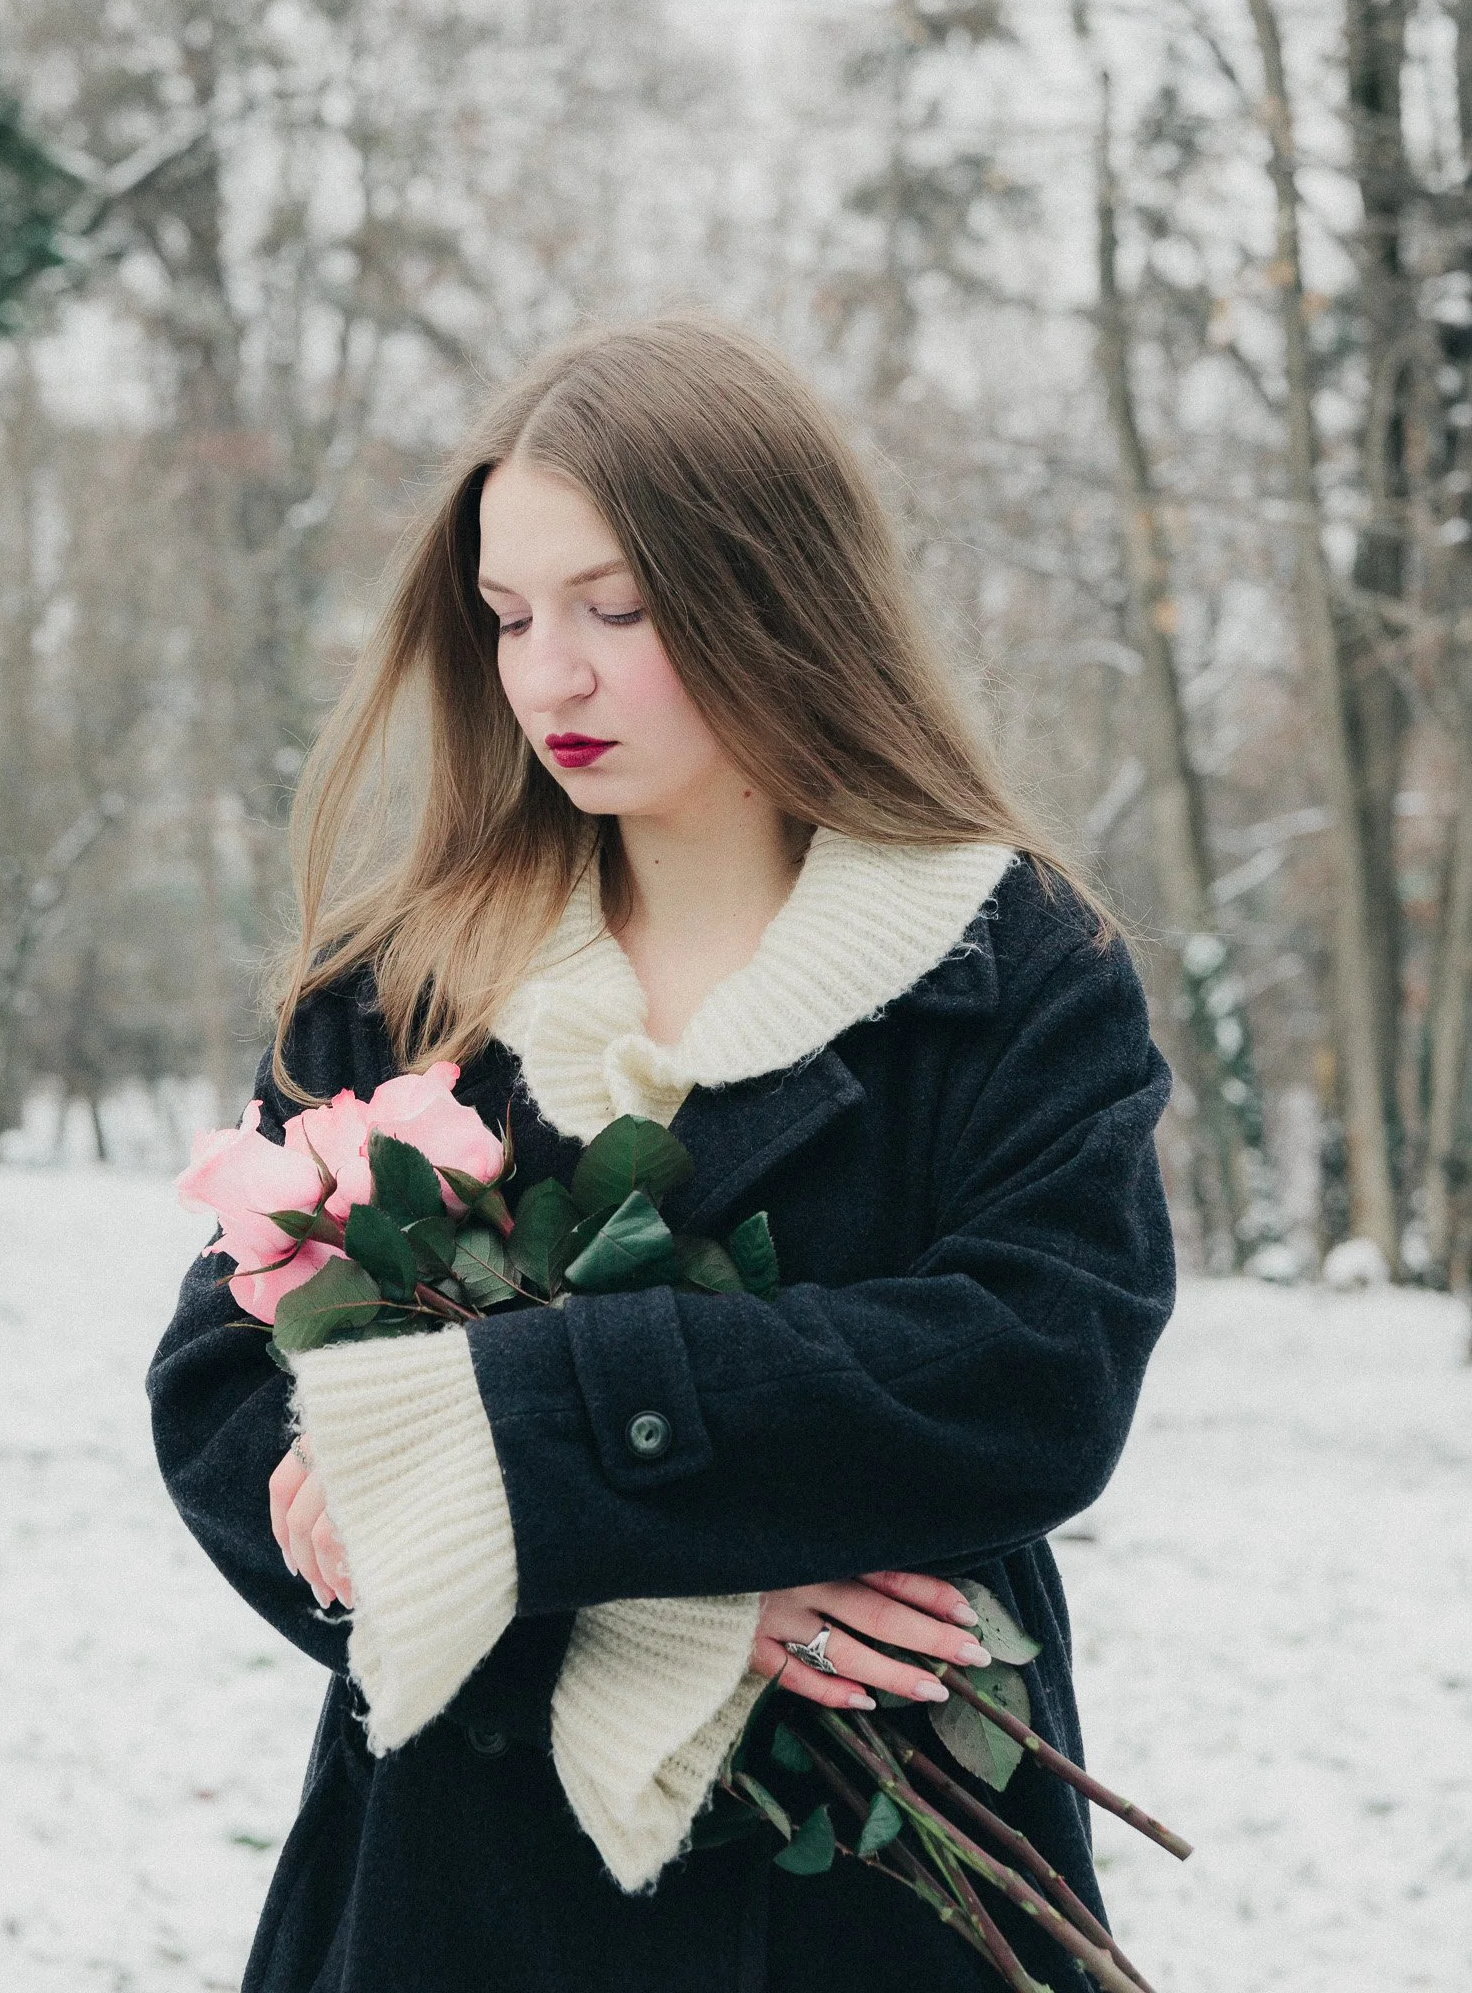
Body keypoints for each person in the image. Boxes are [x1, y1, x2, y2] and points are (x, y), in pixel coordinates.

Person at [148, 314, 1176, 1993]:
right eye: (507, 618)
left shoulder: (1012, 964)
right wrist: (649, 1611)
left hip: (886, 1899)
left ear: (777, 593)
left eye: (614, 610)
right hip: (459, 1894)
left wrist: (499, 1440)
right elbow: (228, 1412)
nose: (549, 673)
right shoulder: (397, 987)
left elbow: (1034, 1369)